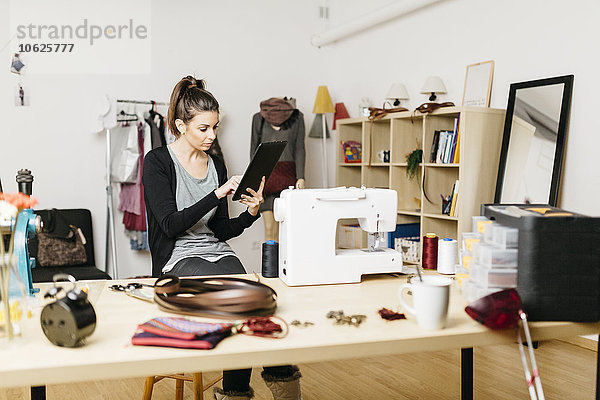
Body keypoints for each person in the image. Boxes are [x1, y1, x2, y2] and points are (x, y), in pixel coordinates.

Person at [142, 76, 302, 400]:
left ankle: (277, 376)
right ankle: (236, 392)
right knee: (237, 302)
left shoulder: (215, 162)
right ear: (179, 124)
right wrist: (217, 193)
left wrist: (252, 213)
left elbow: (221, 230)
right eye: (204, 128)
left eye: (215, 127)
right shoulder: (157, 162)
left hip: (216, 251)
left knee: (260, 300)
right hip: (178, 258)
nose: (212, 136)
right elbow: (171, 225)